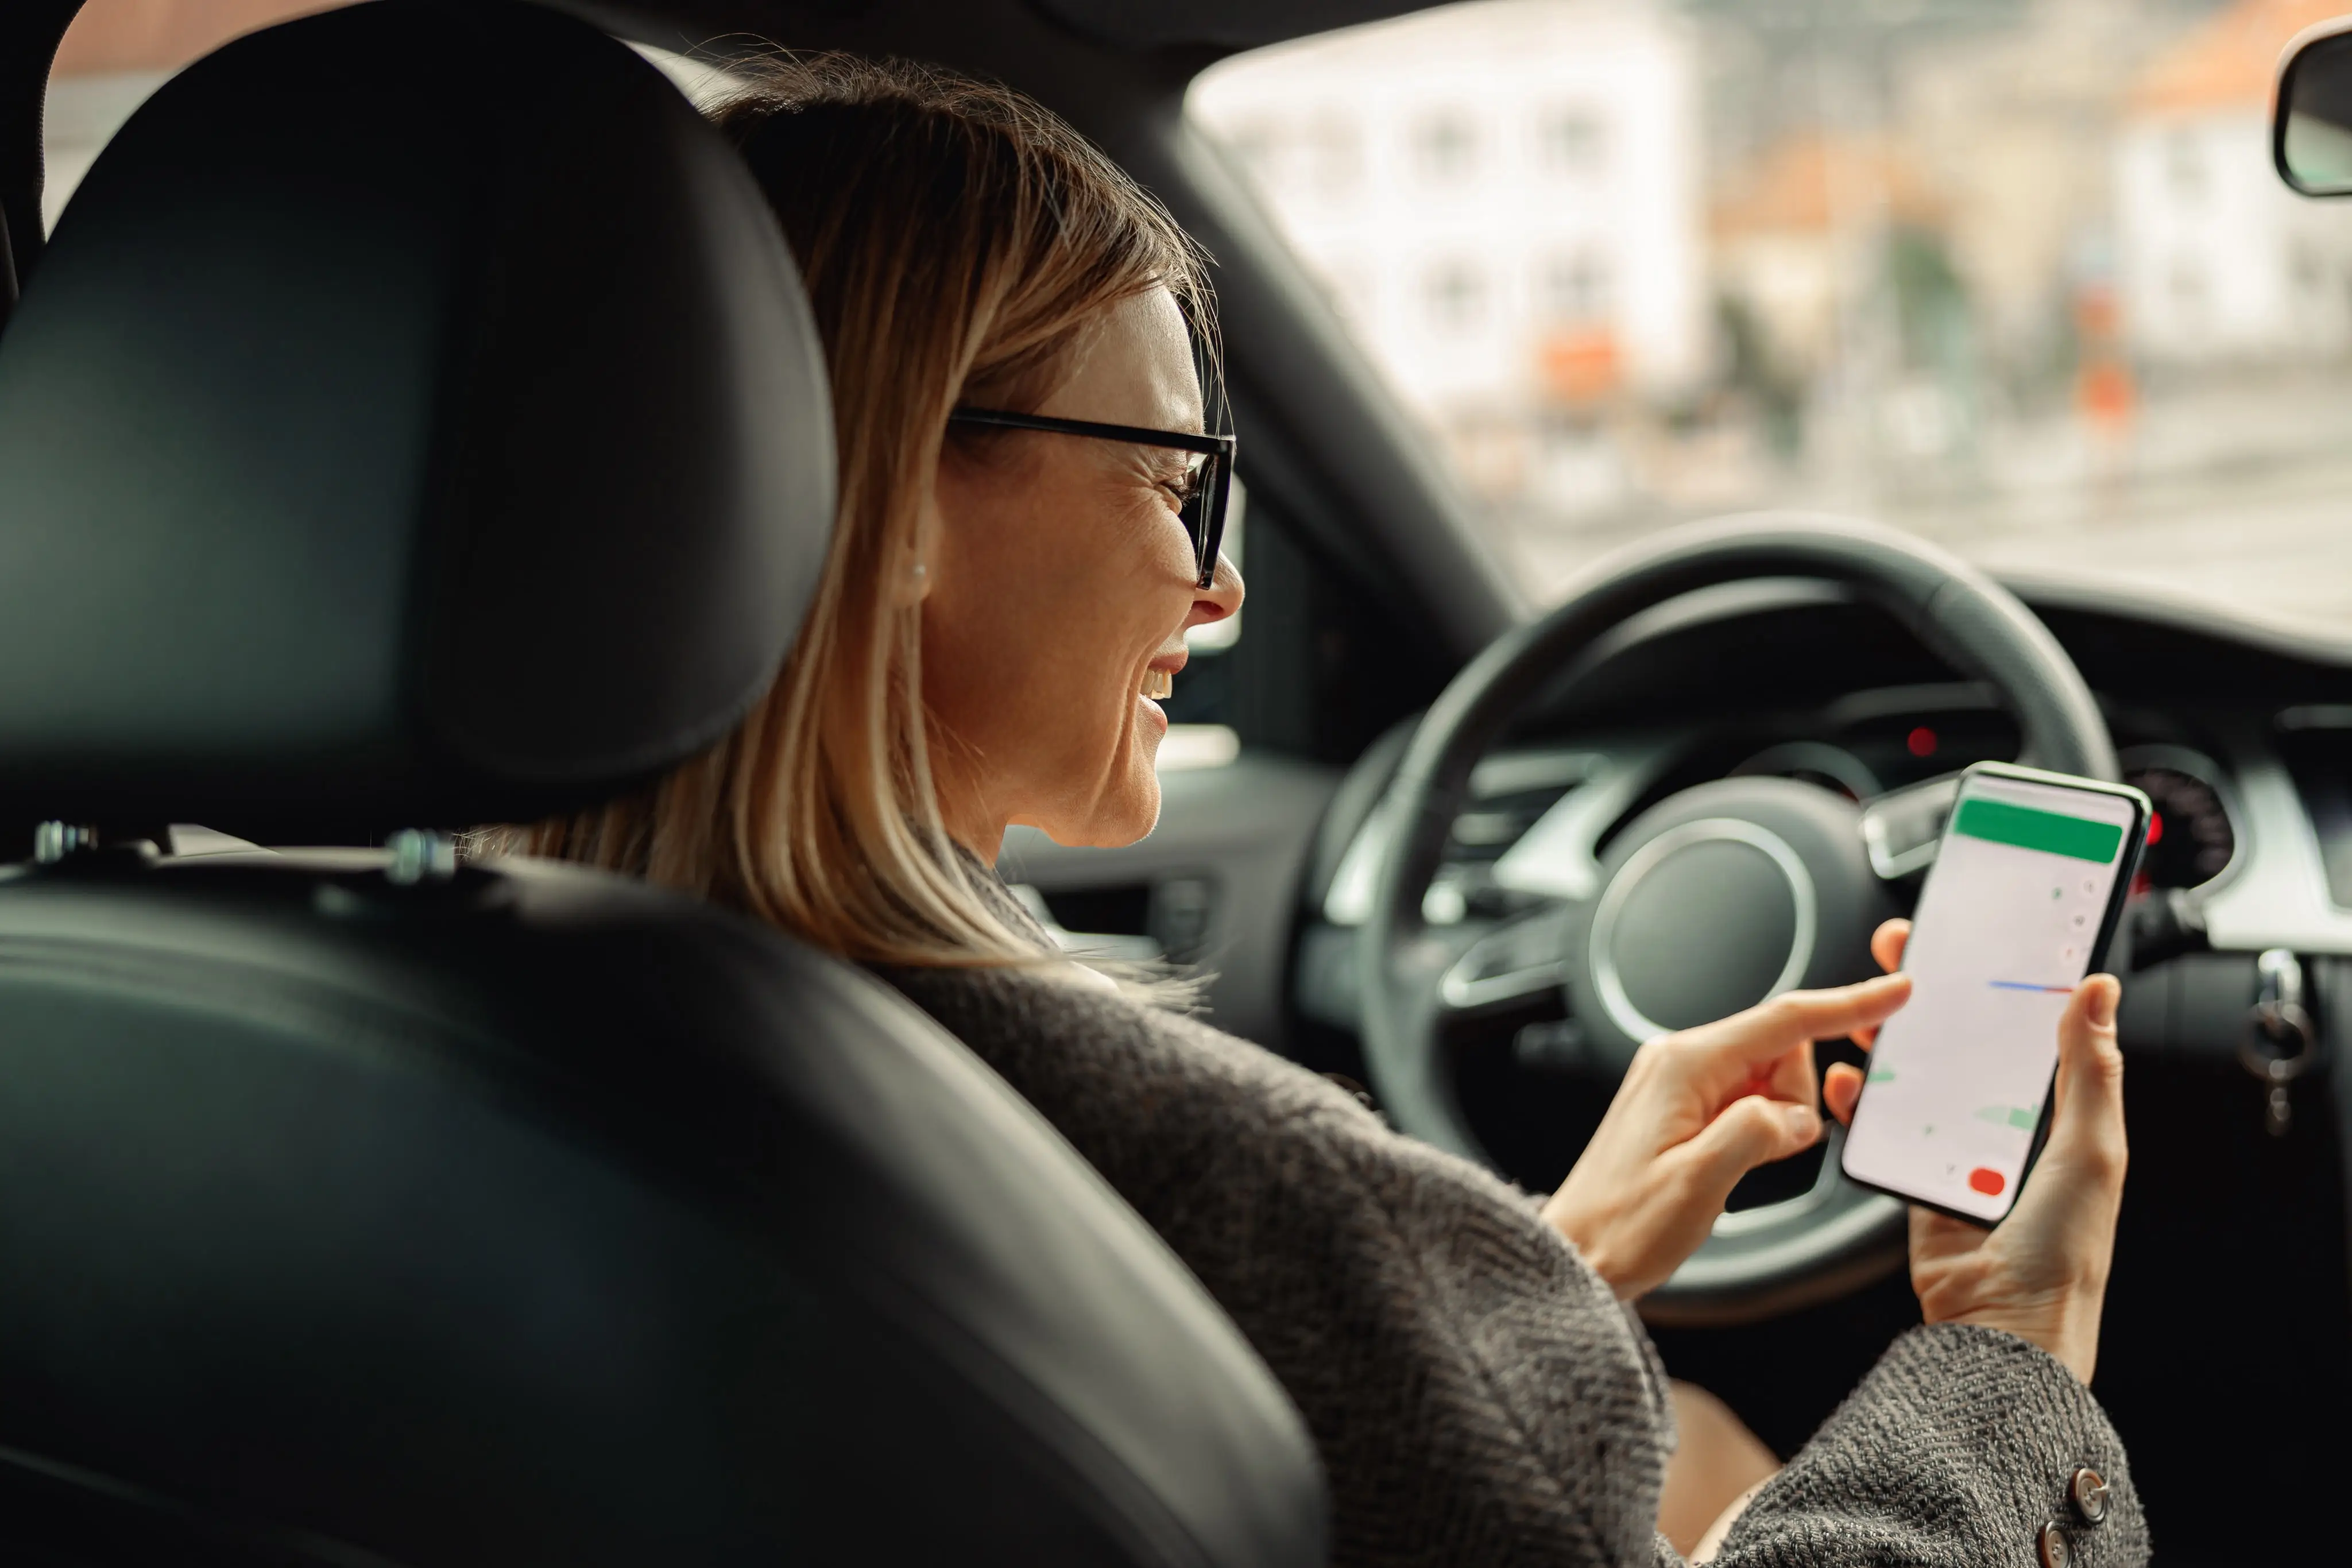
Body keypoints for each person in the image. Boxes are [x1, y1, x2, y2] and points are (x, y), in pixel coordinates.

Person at [482, 54, 2147, 1566]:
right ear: (894, 496)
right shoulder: (1195, 1172)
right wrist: (2011, 1340)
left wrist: (1517, 1289)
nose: (1219, 589)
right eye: (1169, 475)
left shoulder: (467, 1032)